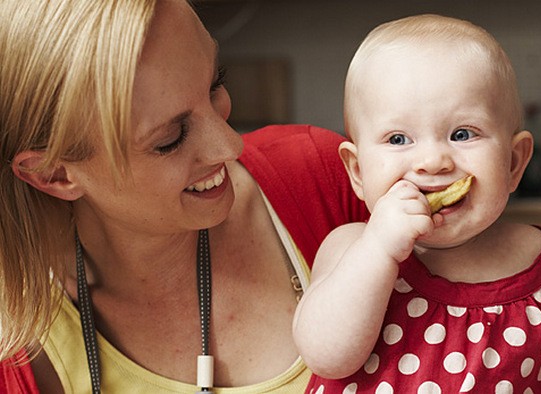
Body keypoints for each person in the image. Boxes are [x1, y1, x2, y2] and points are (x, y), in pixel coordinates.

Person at [0, 0, 368, 392]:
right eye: (169, 140)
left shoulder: (327, 179)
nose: (230, 146)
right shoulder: (19, 344)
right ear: (53, 174)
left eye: (215, 84)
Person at [293, 14, 541, 393]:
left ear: (514, 162)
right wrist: (379, 249)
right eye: (399, 139)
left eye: (462, 133)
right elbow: (326, 357)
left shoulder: (533, 259)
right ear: (357, 172)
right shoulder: (351, 248)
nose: (434, 161)